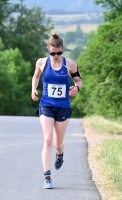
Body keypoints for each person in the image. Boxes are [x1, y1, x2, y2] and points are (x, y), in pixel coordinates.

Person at [31, 33, 82, 189]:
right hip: (46, 104)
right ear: (48, 49)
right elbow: (36, 76)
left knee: (58, 144)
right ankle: (47, 177)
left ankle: (60, 155)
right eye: (53, 53)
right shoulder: (41, 62)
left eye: (59, 53)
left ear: (62, 50)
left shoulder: (70, 64)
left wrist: (76, 88)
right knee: (47, 140)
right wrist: (33, 89)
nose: (56, 55)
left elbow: (78, 80)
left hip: (63, 107)